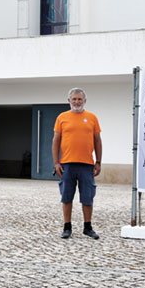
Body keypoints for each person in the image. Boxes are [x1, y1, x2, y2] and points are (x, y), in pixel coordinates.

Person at [52, 88, 102, 239]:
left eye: (80, 99)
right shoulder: (62, 117)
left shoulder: (92, 118)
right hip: (67, 164)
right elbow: (56, 141)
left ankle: (88, 227)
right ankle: (67, 227)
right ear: (69, 101)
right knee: (66, 196)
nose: (77, 102)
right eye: (74, 99)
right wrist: (56, 163)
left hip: (87, 165)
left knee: (88, 197)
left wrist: (98, 161)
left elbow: (97, 141)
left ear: (85, 101)